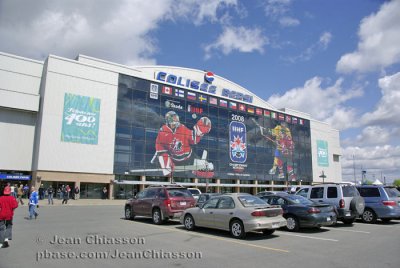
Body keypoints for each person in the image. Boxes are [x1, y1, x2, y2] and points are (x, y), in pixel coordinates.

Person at [151, 111, 214, 178]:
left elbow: (193, 139)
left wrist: (199, 131)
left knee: (209, 171)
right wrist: (166, 162)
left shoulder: (182, 128)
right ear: (169, 119)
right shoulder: (163, 132)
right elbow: (160, 150)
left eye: (176, 118)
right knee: (179, 177)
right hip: (176, 160)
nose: (176, 120)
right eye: (174, 118)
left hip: (190, 157)